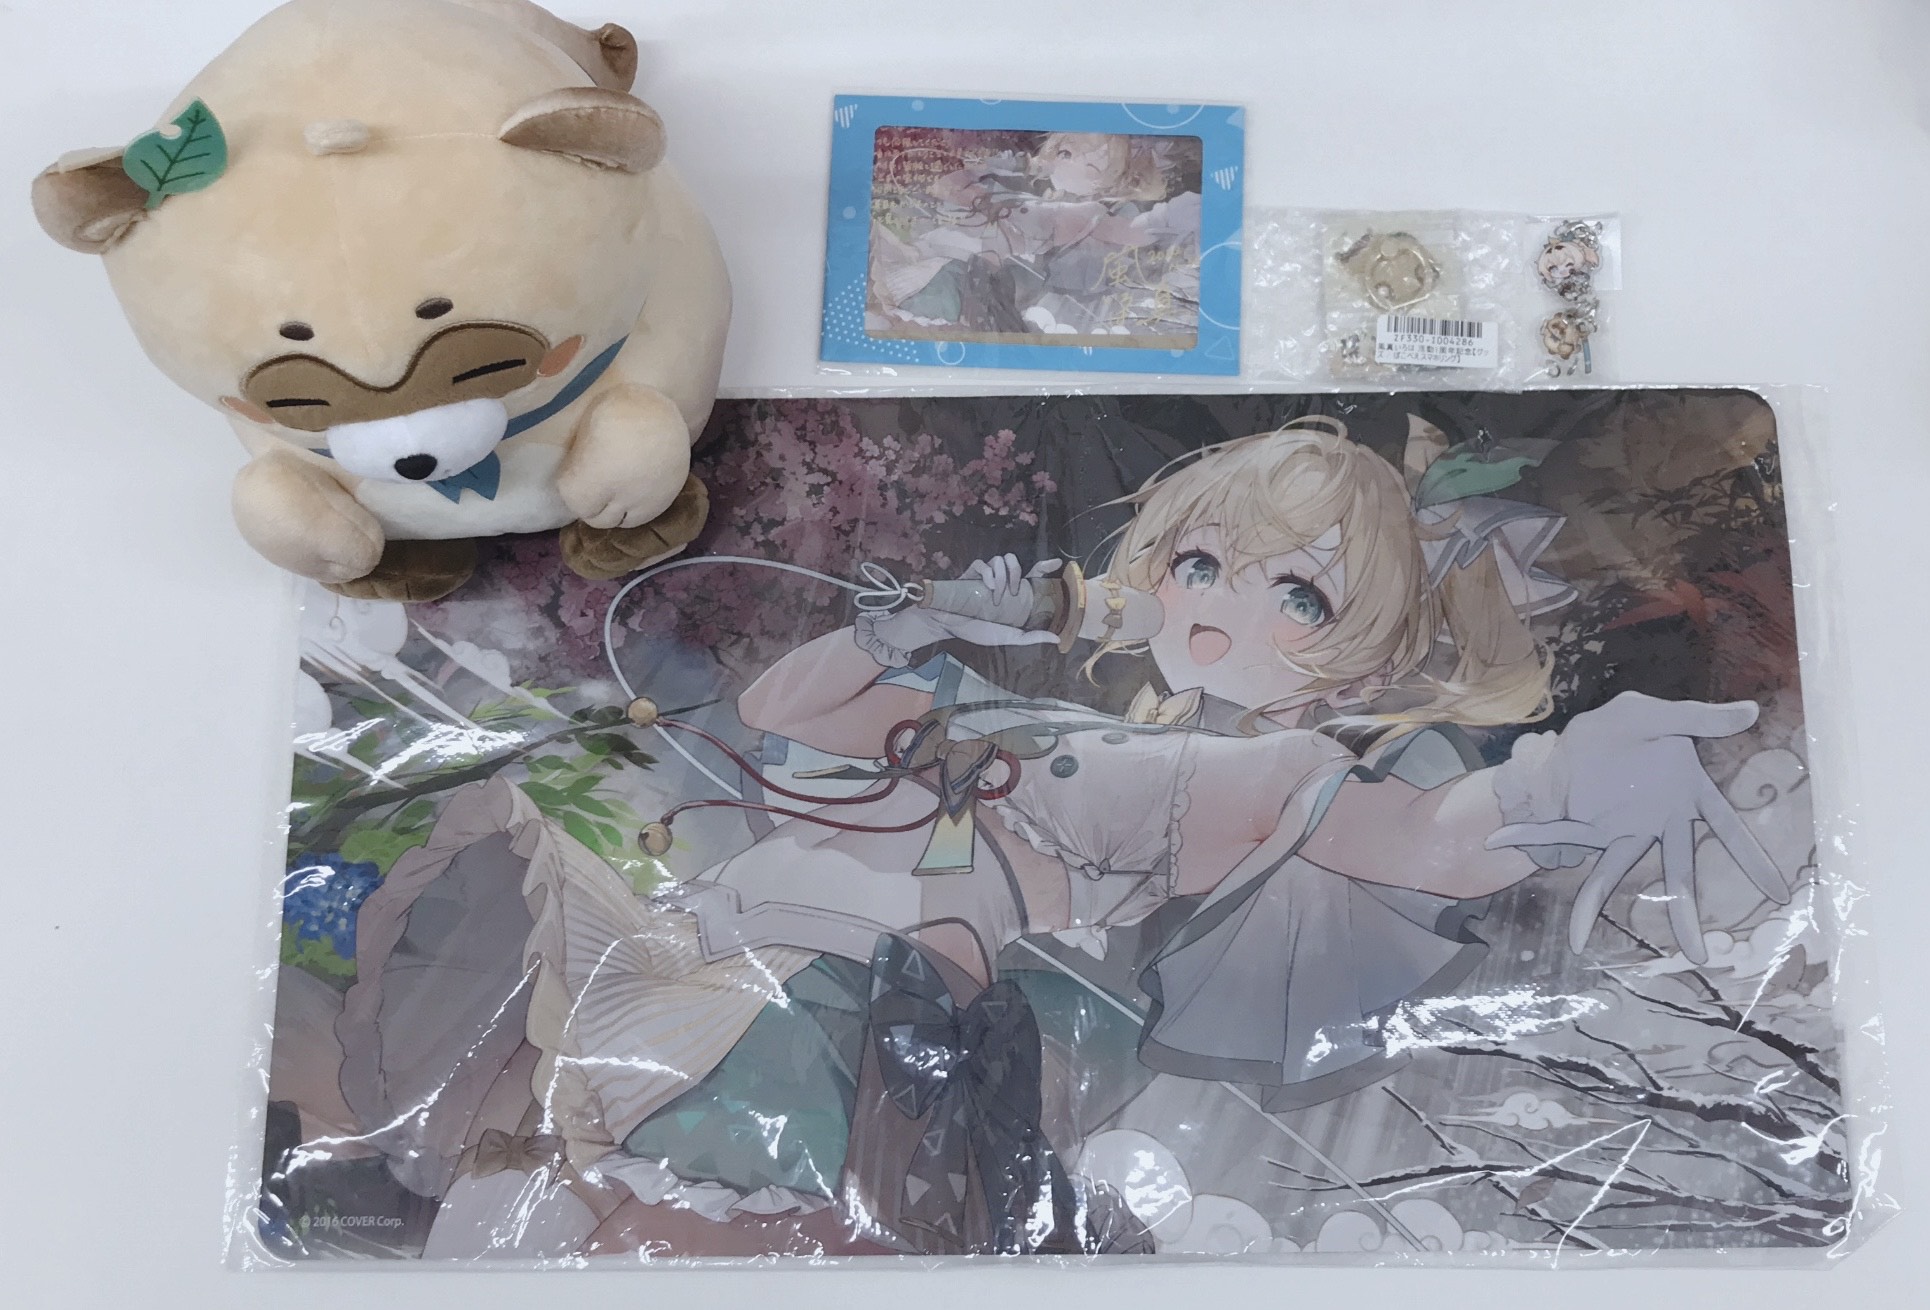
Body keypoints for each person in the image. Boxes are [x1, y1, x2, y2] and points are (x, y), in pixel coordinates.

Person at [530, 418, 1789, 1255]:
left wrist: (1568, 771)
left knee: (700, 1242)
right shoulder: (1034, 715)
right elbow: (783, 709)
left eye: (1297, 593)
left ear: (1357, 667)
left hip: (843, 1018)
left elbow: (1422, 840)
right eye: (1203, 560)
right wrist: (911, 623)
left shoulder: (1258, 770)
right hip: (715, 965)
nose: (1224, 602)